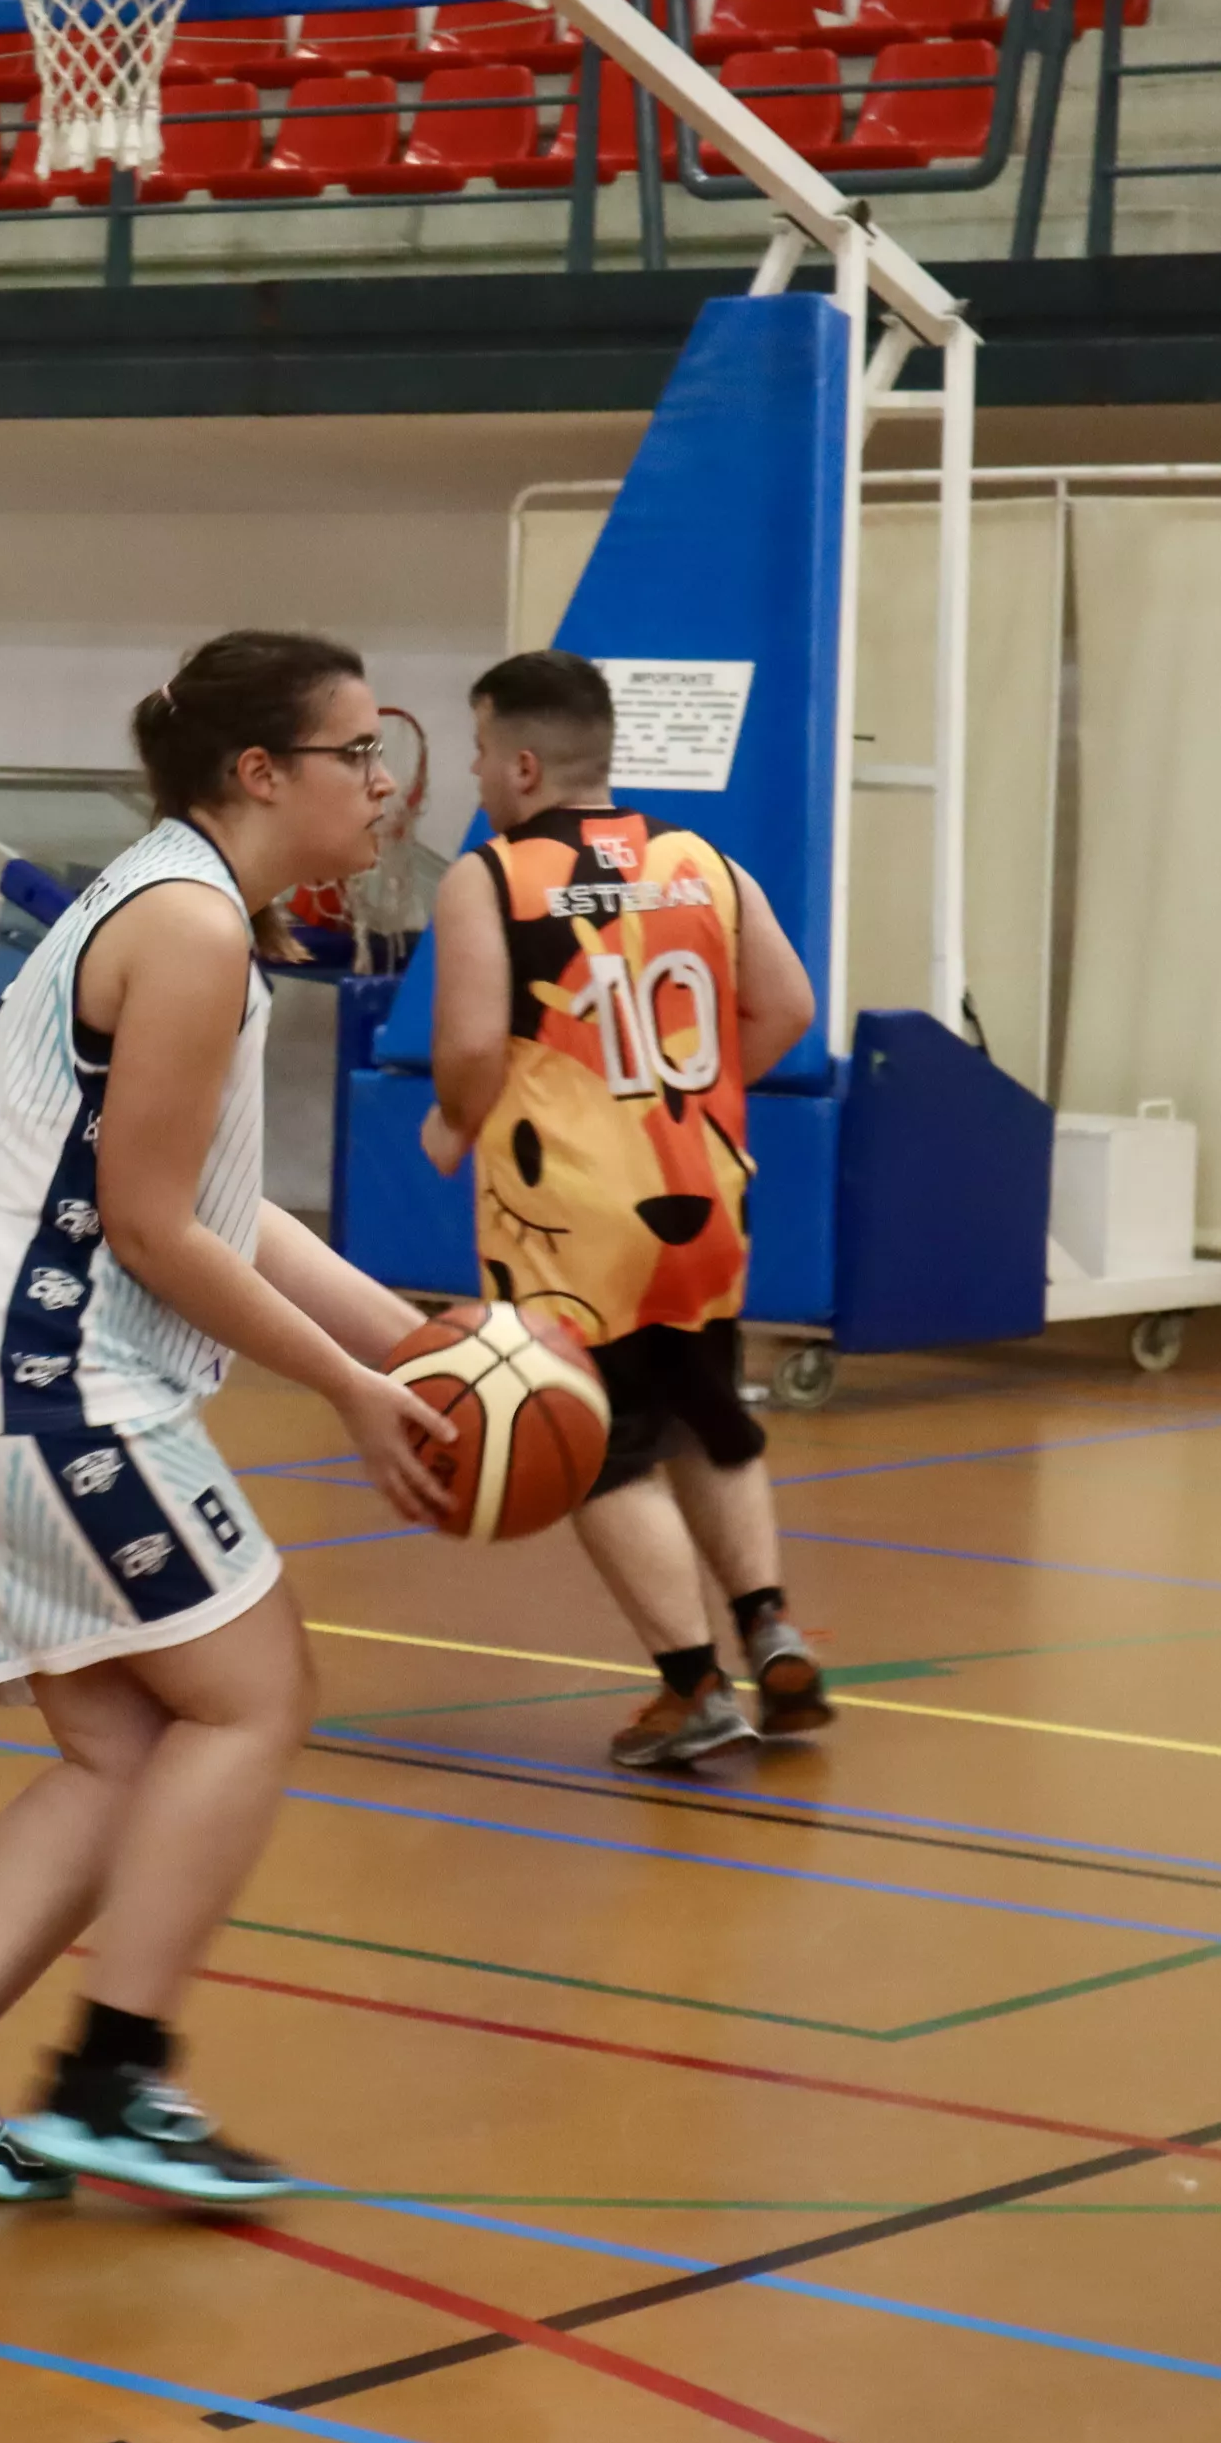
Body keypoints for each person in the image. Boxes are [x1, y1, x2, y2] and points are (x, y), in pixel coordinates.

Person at [0, 631, 449, 2205]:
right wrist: (360, 1396)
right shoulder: (188, 931)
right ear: (260, 773)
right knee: (251, 1693)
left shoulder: (178, 901)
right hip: (36, 1382)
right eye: (358, 753)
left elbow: (215, 1206)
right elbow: (159, 1232)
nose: (384, 784)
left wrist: (415, 1334)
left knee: (125, 1747)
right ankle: (113, 2073)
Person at [419, 650, 829, 1768]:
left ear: (522, 761)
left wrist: (455, 1120)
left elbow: (463, 1046)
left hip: (573, 1220)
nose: (473, 772)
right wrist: (696, 1093)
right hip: (703, 1190)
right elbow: (788, 1004)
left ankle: (693, 1686)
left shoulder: (491, 878)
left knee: (598, 1448)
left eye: (476, 751)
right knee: (710, 1416)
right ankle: (770, 1625)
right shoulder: (702, 861)